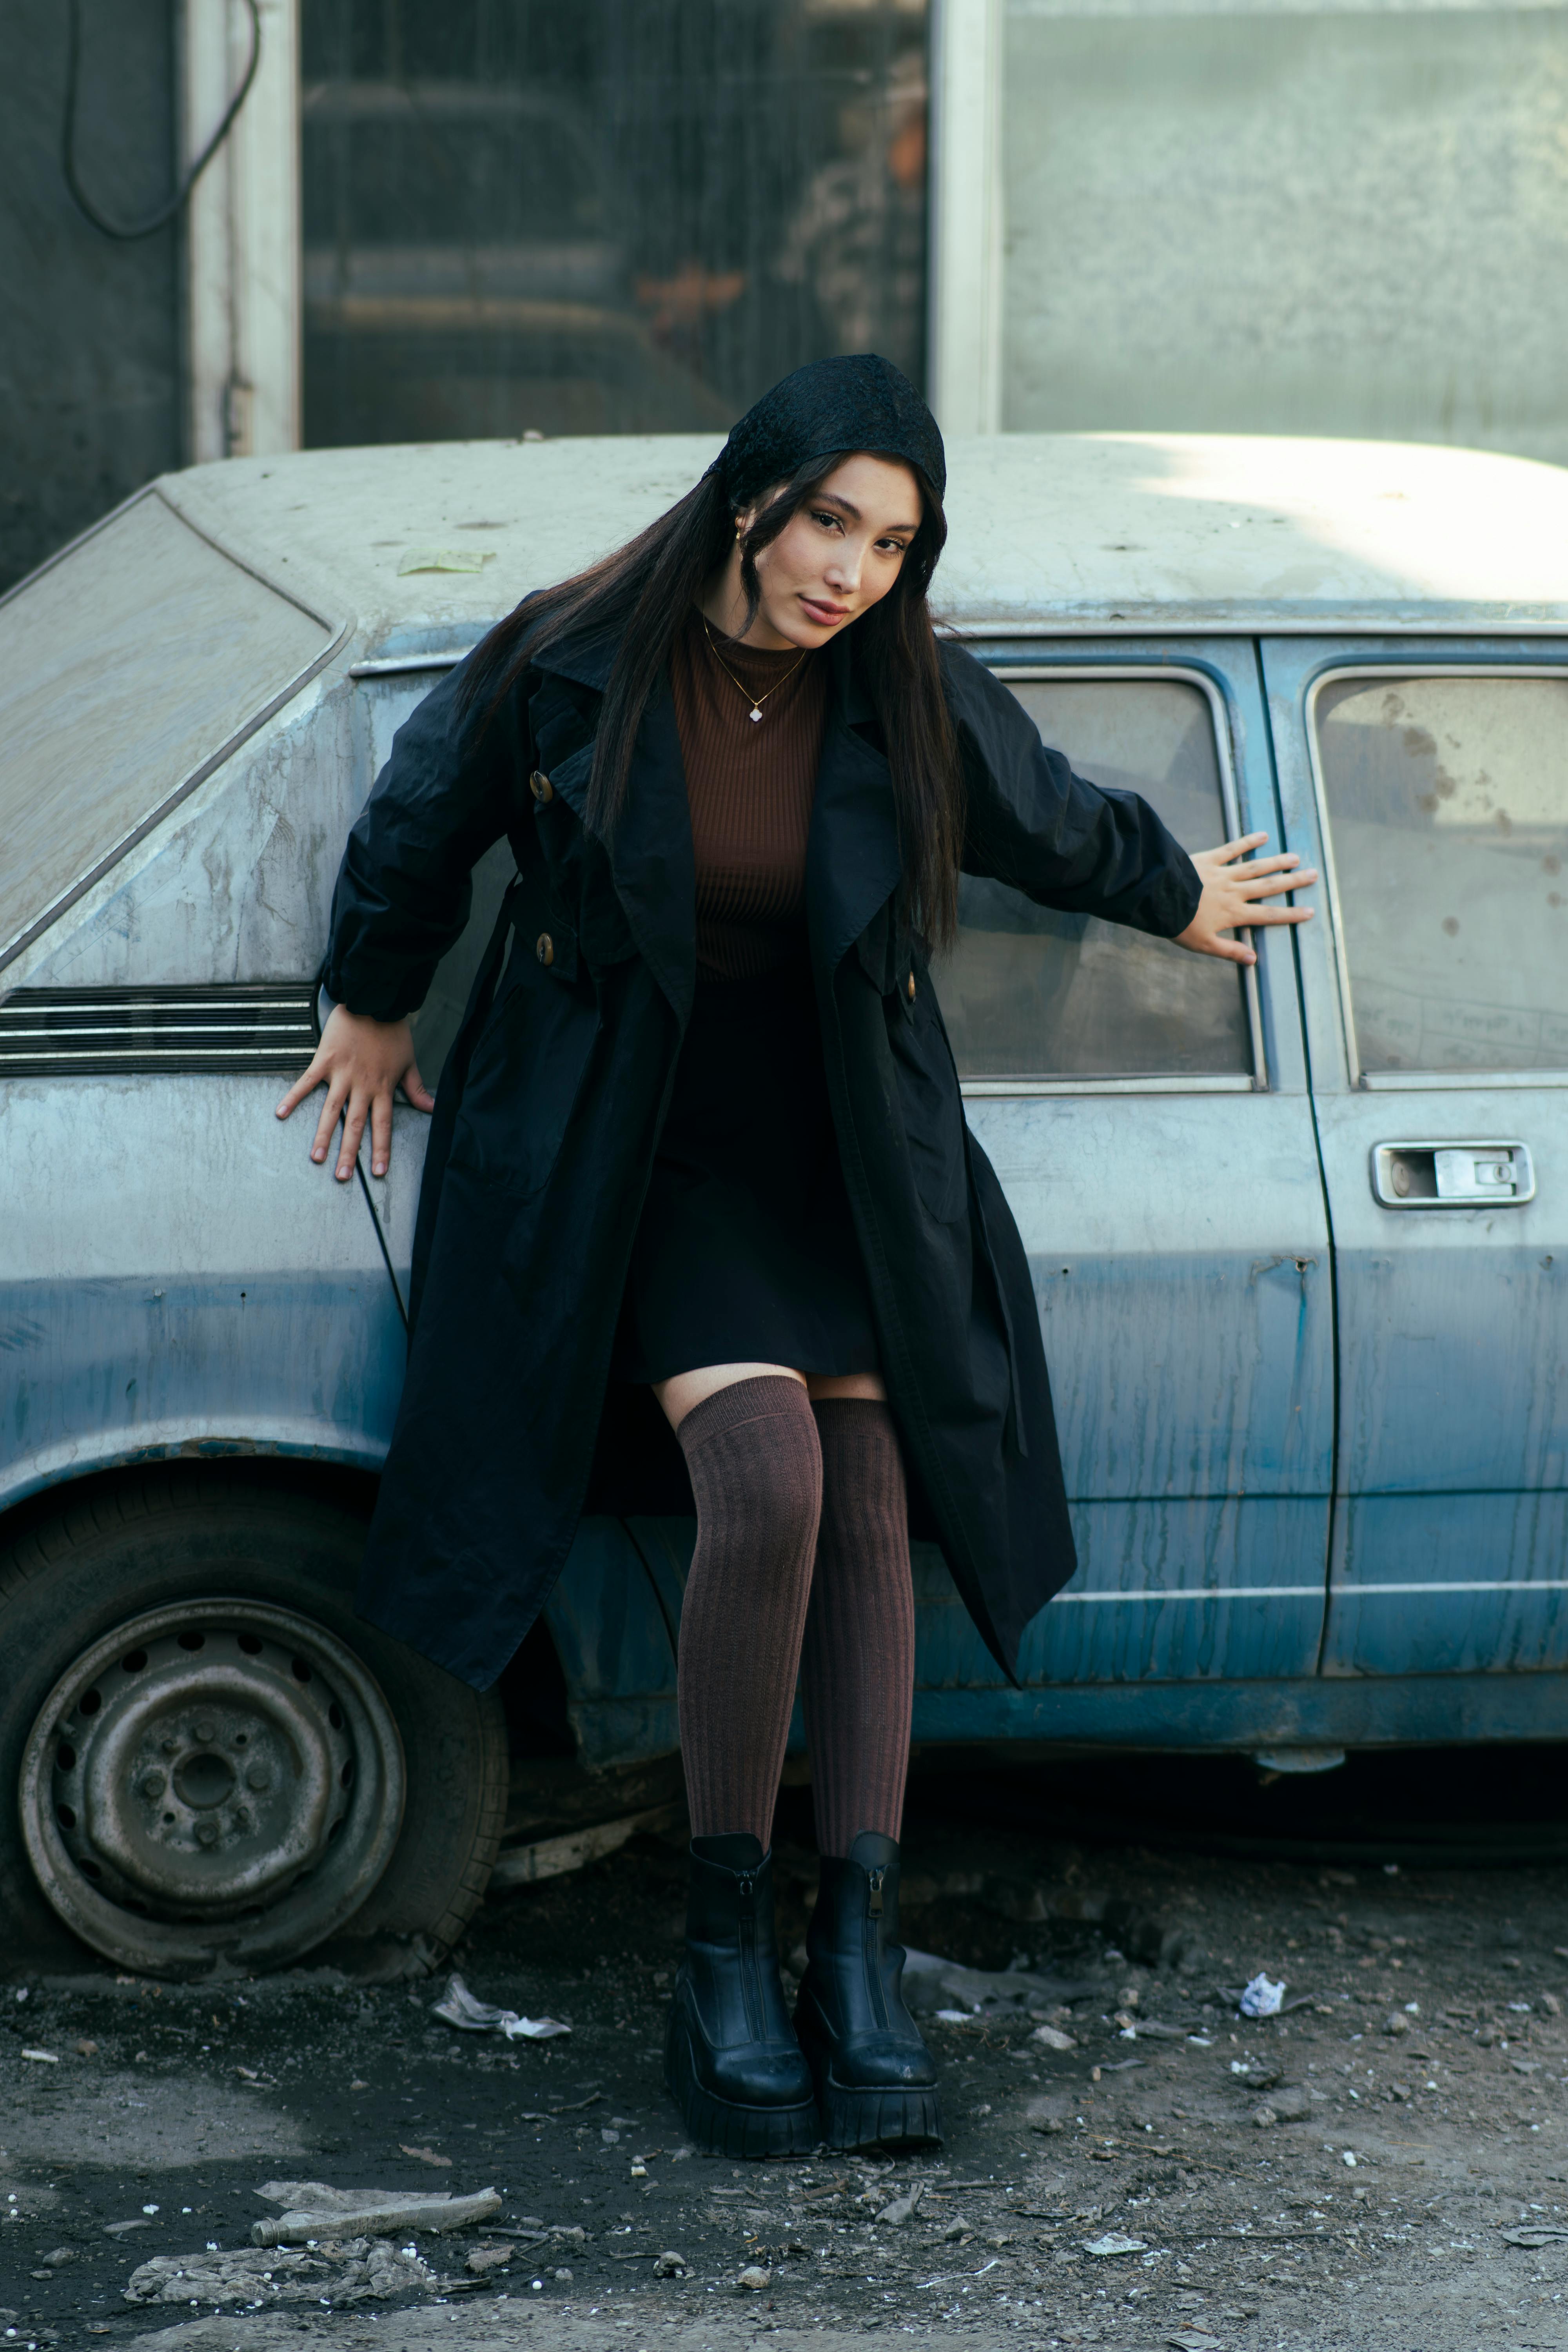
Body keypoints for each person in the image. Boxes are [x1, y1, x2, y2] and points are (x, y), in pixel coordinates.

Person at [276, 354, 1316, 2160]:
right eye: (830, 521)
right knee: (764, 1483)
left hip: (838, 1152)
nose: (852, 571)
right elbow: (420, 820)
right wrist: (371, 1000)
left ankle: (856, 1946)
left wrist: (1174, 890)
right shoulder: (572, 656)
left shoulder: (904, 684)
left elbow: (1045, 811)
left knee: (868, 1492)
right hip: (641, 1151)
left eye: (893, 544)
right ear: (752, 496)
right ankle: (717, 1953)